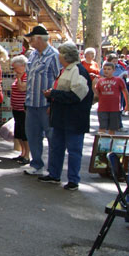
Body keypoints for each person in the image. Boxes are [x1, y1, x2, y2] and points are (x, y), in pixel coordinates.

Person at [38, 42, 94, 190]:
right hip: (61, 117)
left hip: (74, 119)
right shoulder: (66, 70)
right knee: (56, 147)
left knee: (74, 150)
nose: (58, 57)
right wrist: (52, 98)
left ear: (66, 56)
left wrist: (53, 94)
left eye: (60, 54)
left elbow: (76, 95)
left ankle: (73, 180)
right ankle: (54, 174)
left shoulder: (79, 71)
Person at [23, 25, 61, 176]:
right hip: (32, 103)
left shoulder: (54, 55)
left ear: (39, 39)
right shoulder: (32, 55)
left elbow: (59, 79)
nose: (30, 42)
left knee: (52, 137)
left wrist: (54, 101)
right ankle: (36, 163)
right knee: (33, 135)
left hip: (46, 105)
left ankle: (53, 168)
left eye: (31, 39)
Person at [94, 62, 129, 134]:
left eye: (109, 69)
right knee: (102, 128)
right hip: (102, 108)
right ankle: (102, 144)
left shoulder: (118, 80)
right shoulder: (100, 81)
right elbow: (97, 95)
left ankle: (110, 143)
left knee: (112, 128)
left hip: (114, 108)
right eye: (105, 69)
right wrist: (93, 86)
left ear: (113, 70)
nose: (106, 71)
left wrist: (127, 105)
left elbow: (125, 92)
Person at [9, 54, 30, 164]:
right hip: (16, 108)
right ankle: (22, 153)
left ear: (22, 66)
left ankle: (27, 155)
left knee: (24, 132)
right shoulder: (19, 76)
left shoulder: (26, 76)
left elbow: (22, 88)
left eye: (15, 67)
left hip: (23, 109)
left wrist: (18, 78)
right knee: (19, 132)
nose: (14, 70)